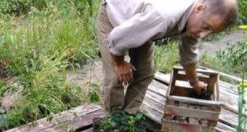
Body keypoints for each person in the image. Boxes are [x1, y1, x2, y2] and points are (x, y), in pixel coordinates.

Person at [96, 0, 238, 114]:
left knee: (145, 72)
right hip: (115, 18)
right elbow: (116, 38)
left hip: (141, 24)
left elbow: (188, 55)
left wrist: (194, 82)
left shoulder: (196, 20)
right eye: (206, 27)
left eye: (210, 31)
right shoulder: (163, 17)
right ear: (199, 8)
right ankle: (113, 118)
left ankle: (129, 115)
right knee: (115, 76)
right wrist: (120, 64)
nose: (203, 35)